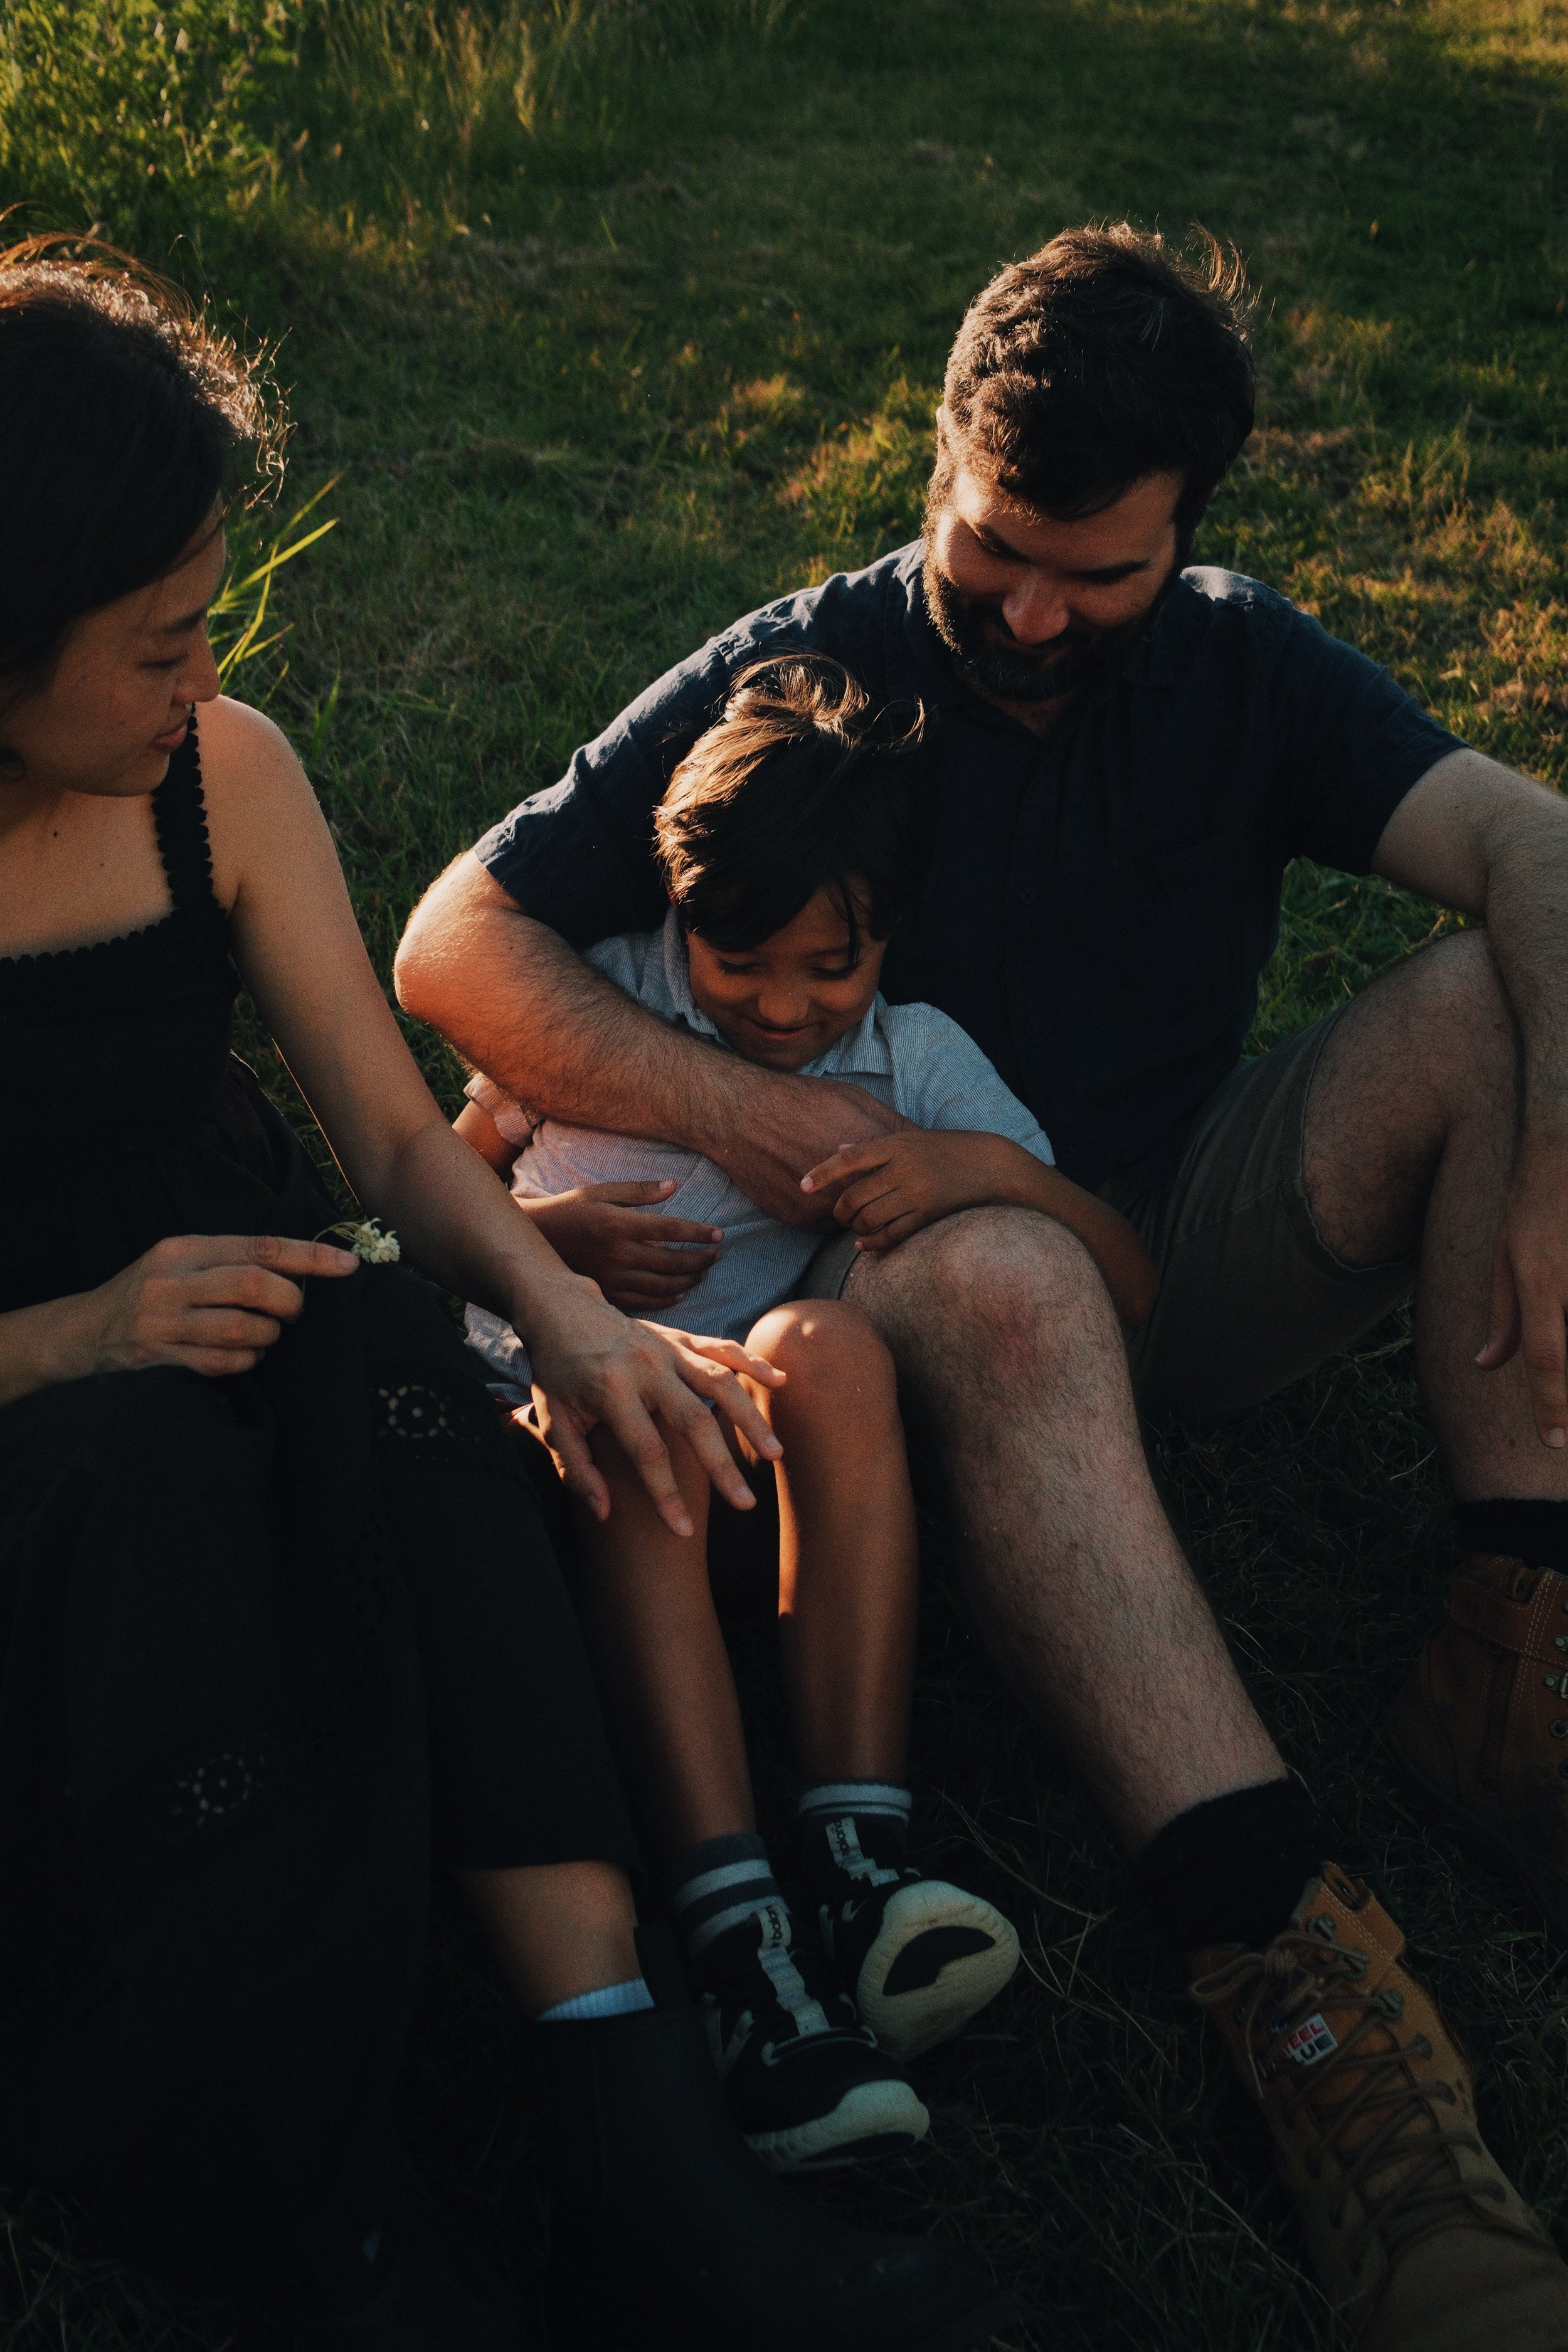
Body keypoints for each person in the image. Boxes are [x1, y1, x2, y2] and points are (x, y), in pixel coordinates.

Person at [395, 220, 1568, 2347]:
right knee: (1006, 1272)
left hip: (1160, 1232)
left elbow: (1535, 844)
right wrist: (773, 1131)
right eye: (990, 547)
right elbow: (452, 948)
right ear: (937, 458)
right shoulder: (819, 671)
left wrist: (1558, 1166)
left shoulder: (1245, 659)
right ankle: (1294, 1978)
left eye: (1091, 576)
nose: (1027, 613)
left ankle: (1519, 1642)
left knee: (1512, 991)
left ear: (1189, 528)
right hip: (881, 1278)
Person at [0, 239, 1015, 2352]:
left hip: (236, 1304)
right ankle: (301, 2210)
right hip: (46, 1395)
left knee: (393, 1354)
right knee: (149, 1495)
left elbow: (387, 1151)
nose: (208, 676)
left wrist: (568, 1325)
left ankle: (634, 2111)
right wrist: (61, 1342)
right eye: (158, 641)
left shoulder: (223, 778)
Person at [456, 651, 1156, 2174]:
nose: (779, 1007)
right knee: (648, 1405)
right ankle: (734, 1932)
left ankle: (856, 1861)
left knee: (822, 1349)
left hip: (751, 1489)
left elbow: (1126, 1288)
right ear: (677, 909)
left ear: (885, 937)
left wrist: (981, 1174)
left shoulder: (912, 1066)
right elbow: (437, 1182)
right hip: (541, 1449)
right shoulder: (596, 1007)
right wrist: (549, 1254)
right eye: (739, 960)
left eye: (825, 969)